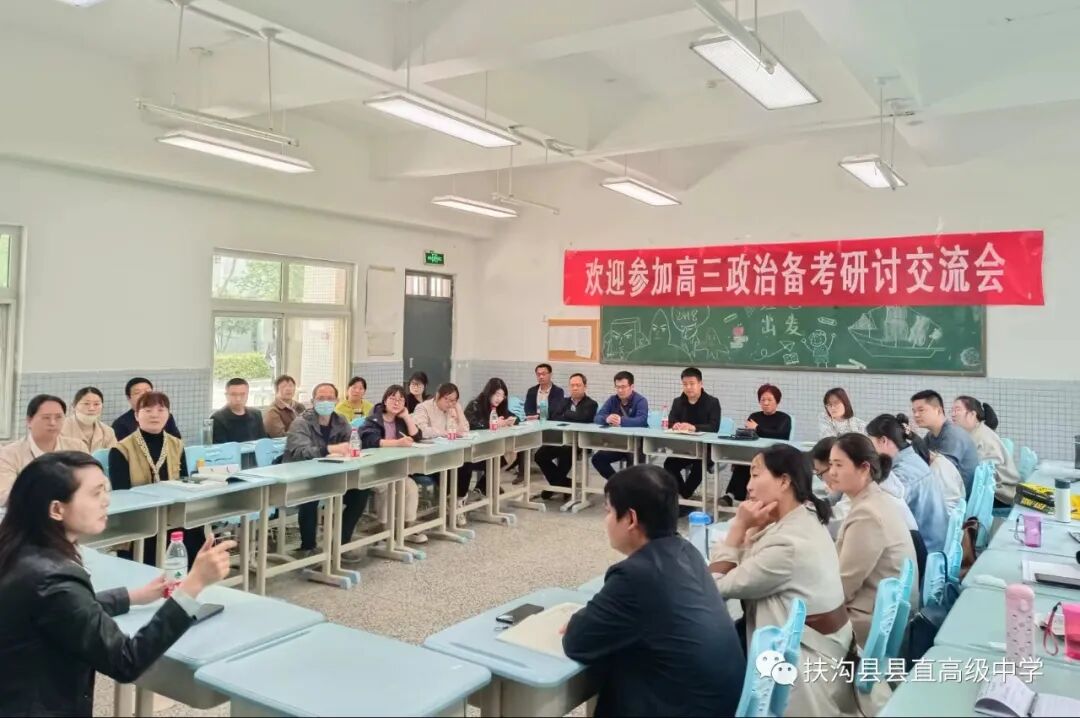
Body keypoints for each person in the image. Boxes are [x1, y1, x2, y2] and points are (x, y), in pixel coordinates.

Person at [0, 452, 234, 717]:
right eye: (95, 493)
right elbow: (126, 661)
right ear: (56, 509)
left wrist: (134, 596)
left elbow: (67, 610)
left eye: (105, 490)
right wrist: (193, 585)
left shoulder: (20, 550)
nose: (106, 500)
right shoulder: (54, 578)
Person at [710, 444, 881, 717]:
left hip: (801, 671)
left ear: (784, 481)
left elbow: (714, 587)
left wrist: (739, 527)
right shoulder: (805, 517)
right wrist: (754, 528)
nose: (748, 485)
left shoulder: (787, 544)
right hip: (828, 651)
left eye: (755, 475)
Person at [562, 464, 743, 717]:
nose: (606, 520)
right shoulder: (687, 551)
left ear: (631, 519)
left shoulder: (634, 575)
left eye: (609, 511)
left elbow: (578, 642)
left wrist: (578, 621)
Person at [828, 434, 920, 647]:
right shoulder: (874, 499)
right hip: (879, 611)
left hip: (869, 621)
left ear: (864, 469)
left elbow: (843, 587)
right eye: (830, 464)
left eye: (839, 465)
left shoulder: (867, 514)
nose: (831, 472)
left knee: (785, 619)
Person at [108, 392, 204, 564]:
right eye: (148, 410)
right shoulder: (121, 449)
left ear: (168, 415)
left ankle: (189, 578)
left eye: (161, 410)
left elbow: (184, 481)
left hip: (173, 513)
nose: (155, 415)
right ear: (136, 415)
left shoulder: (176, 444)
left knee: (195, 528)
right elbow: (121, 495)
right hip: (140, 517)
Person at [285, 383, 372, 560]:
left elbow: (352, 442)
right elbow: (300, 452)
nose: (325, 402)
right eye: (321, 398)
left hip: (332, 477)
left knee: (361, 491)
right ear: (313, 401)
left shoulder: (340, 420)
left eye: (330, 398)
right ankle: (308, 547)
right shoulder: (301, 423)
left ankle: (341, 542)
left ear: (337, 401)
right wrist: (329, 449)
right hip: (303, 479)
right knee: (310, 498)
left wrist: (350, 449)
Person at [866, 414, 949, 553]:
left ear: (883, 441)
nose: (870, 451)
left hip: (926, 551)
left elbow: (880, 513)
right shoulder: (912, 459)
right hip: (934, 544)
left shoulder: (902, 475)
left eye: (870, 444)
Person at [359, 385, 427, 546]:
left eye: (401, 400)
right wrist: (397, 443)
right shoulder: (374, 419)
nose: (396, 403)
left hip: (395, 469)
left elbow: (417, 437)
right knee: (388, 487)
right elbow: (371, 441)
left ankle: (406, 528)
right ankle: (383, 529)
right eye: (392, 399)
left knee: (410, 487)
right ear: (385, 400)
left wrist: (407, 417)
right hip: (374, 470)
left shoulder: (400, 421)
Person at [0, 395, 88, 505]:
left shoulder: (77, 447)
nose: (53, 423)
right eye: (46, 417)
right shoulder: (9, 454)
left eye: (58, 417)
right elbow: (5, 495)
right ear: (29, 421)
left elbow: (95, 483)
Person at [719, 384, 792, 506]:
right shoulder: (754, 416)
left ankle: (759, 500)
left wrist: (757, 428)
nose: (766, 403)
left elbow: (780, 435)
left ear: (777, 401)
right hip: (753, 455)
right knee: (743, 464)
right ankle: (730, 496)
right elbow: (746, 436)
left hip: (775, 457)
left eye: (770, 400)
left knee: (757, 466)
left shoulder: (784, 418)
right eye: (763, 400)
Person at [662, 367, 721, 507]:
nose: (688, 387)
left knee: (699, 465)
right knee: (669, 464)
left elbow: (714, 427)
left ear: (700, 383)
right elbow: (671, 421)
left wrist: (694, 427)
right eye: (685, 384)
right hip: (683, 448)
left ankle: (684, 496)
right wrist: (675, 425)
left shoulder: (712, 402)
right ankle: (684, 495)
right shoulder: (678, 401)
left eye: (692, 383)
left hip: (705, 450)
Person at [534, 373, 597, 500]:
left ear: (585, 386)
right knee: (539, 455)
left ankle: (557, 485)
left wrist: (566, 414)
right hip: (560, 439)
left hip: (580, 442)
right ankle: (563, 483)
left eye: (578, 385)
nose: (575, 388)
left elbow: (583, 418)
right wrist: (573, 415)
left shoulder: (591, 404)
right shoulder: (563, 401)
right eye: (572, 385)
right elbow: (554, 417)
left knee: (565, 452)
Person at [952, 395, 1020, 506]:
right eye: (952, 410)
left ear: (972, 414)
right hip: (989, 491)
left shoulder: (984, 437)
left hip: (1000, 495)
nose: (953, 414)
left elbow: (984, 474)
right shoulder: (972, 433)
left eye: (957, 410)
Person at [459, 379, 517, 509]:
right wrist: (493, 424)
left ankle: (481, 488)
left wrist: (510, 421)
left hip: (490, 449)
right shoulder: (475, 405)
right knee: (496, 458)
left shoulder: (500, 407)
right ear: (489, 392)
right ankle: (480, 489)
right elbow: (470, 425)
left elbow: (515, 417)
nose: (499, 398)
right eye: (497, 394)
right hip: (474, 451)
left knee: (511, 453)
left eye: (502, 396)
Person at [910, 390, 979, 496]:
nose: (916, 415)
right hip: (944, 491)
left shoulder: (953, 434)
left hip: (957, 498)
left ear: (938, 410)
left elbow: (942, 470)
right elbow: (918, 459)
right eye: (914, 411)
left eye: (921, 410)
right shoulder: (931, 435)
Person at [591, 371, 649, 481]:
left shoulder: (641, 401)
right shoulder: (612, 400)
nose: (620, 390)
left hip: (637, 444)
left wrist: (621, 420)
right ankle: (617, 483)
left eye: (623, 387)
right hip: (618, 443)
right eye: (617, 387)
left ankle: (628, 489)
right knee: (597, 459)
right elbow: (597, 417)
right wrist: (606, 419)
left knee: (633, 465)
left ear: (632, 386)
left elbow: (642, 420)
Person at [112, 377, 181, 441]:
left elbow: (177, 441)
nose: (144, 395)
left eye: (148, 391)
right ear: (128, 398)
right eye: (137, 393)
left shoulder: (166, 416)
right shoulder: (120, 424)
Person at [60, 387, 118, 454]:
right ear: (74, 406)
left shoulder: (108, 432)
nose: (91, 408)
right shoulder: (60, 429)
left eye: (96, 404)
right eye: (86, 403)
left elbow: (113, 456)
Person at [210, 377, 267, 444]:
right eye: (233, 394)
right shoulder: (217, 419)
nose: (238, 399)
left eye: (242, 394)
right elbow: (221, 448)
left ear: (247, 395)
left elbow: (263, 442)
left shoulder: (256, 414)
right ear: (226, 395)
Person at [263, 374, 306, 438]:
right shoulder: (272, 411)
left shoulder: (300, 407)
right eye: (284, 386)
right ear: (276, 390)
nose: (288, 389)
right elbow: (279, 436)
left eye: (291, 386)